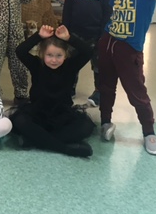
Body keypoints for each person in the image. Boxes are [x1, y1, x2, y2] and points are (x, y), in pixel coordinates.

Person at [98, 0, 156, 155]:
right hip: (108, 43)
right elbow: (113, 14)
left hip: (129, 49)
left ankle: (149, 132)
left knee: (136, 92)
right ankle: (105, 122)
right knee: (106, 87)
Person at [10, 25, 96, 157]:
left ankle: (34, 140)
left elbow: (88, 51)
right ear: (42, 54)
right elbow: (20, 51)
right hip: (37, 114)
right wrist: (38, 36)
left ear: (65, 55)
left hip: (62, 115)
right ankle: (65, 148)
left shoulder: (71, 66)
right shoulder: (37, 65)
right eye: (49, 55)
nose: (54, 60)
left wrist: (69, 38)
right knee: (20, 121)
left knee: (86, 126)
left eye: (59, 55)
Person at [62, 0, 113, 106]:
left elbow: (108, 12)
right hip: (74, 34)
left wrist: (104, 35)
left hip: (97, 35)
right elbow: (67, 8)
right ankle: (69, 88)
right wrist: (65, 30)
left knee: (99, 66)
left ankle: (99, 92)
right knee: (71, 63)